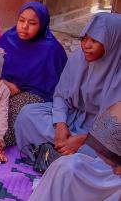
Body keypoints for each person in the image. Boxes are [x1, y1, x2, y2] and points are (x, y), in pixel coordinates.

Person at [15, 12, 121, 160]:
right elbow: (61, 95)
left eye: (95, 41)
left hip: (101, 132)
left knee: (105, 154)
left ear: (112, 43)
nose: (86, 45)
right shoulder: (79, 58)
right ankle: (60, 155)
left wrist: (84, 140)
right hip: (73, 117)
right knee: (28, 115)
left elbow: (115, 127)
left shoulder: (118, 73)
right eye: (84, 38)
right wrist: (60, 124)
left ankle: (58, 156)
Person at [0, 1, 67, 147]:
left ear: (42, 25)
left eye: (32, 23)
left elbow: (58, 88)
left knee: (13, 109)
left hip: (34, 93)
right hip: (3, 84)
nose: (24, 26)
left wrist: (15, 89)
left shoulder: (52, 50)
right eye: (21, 20)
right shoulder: (8, 38)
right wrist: (1, 82)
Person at [28, 101, 121, 201]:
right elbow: (62, 95)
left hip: (111, 178)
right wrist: (60, 124)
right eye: (113, 166)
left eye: (116, 165)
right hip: (88, 132)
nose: (117, 171)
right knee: (65, 168)